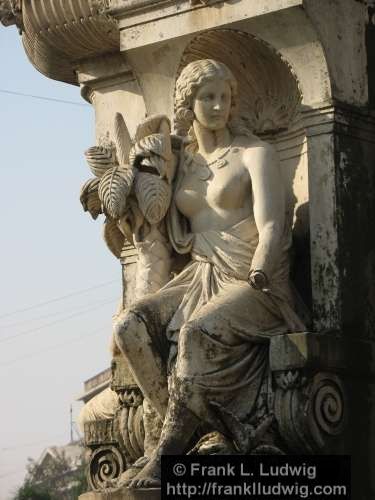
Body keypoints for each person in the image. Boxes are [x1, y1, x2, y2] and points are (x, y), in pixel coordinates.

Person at [113, 59, 304, 488]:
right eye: (207, 97)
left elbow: (273, 223)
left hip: (251, 280)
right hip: (197, 276)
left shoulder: (256, 153)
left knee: (197, 330)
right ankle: (193, 431)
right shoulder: (182, 162)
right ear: (188, 102)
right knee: (129, 326)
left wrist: (260, 267)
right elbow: (153, 212)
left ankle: (165, 458)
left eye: (224, 97)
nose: (218, 105)